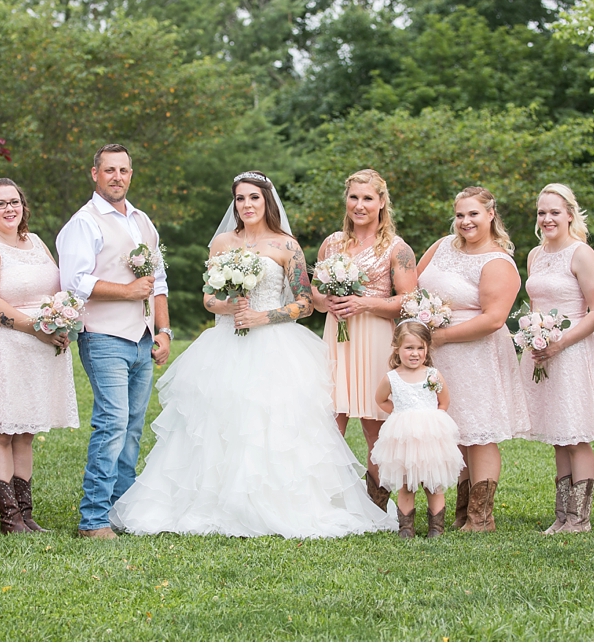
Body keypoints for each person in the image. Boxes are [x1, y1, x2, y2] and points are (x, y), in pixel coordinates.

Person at [109, 171, 396, 538]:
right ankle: (213, 503)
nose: (246, 205)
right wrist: (227, 308)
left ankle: (282, 502)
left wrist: (263, 316)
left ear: (267, 202)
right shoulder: (222, 243)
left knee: (272, 423)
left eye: (254, 198)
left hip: (274, 344)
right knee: (216, 424)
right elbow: (208, 298)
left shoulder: (286, 245)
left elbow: (306, 303)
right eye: (240, 198)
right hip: (225, 343)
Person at [56, 144, 172, 540]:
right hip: (104, 336)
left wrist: (164, 330)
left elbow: (158, 282)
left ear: (131, 173)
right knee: (112, 424)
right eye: (109, 170)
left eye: (123, 170)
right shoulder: (84, 223)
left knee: (134, 428)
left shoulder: (141, 221)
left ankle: (123, 510)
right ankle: (93, 519)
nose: (117, 176)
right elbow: (75, 282)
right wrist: (126, 292)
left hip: (142, 337)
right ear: (95, 174)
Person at [0, 178, 79, 534]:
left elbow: (55, 290)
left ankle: (26, 514)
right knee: (0, 430)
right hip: (1, 344)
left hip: (38, 348)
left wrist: (62, 321)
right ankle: (9, 518)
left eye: (15, 202)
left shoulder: (36, 242)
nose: (10, 209)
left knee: (25, 431)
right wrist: (36, 327)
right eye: (1, 204)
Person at [415, 186, 529, 532]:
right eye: (460, 214)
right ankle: (462, 511)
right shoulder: (441, 246)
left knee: (480, 432)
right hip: (437, 354)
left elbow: (494, 318)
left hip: (477, 353)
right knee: (456, 430)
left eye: (473, 214)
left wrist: (443, 335)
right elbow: (414, 288)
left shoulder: (497, 261)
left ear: (491, 214)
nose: (465, 221)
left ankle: (482, 517)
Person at [311, 169, 417, 513]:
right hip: (336, 338)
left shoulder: (397, 249)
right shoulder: (332, 243)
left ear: (382, 203)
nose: (360, 205)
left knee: (375, 426)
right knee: (328, 421)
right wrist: (325, 302)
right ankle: (324, 501)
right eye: (354, 197)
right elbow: (314, 292)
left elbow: (409, 300)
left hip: (375, 339)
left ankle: (376, 505)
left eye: (368, 198)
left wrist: (365, 302)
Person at [520, 184, 594, 534]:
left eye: (554, 212)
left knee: (576, 433)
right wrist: (534, 338)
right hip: (543, 351)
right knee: (558, 434)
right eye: (542, 212)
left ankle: (580, 518)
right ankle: (562, 515)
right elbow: (535, 305)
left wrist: (559, 343)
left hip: (573, 351)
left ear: (570, 215)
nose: (547, 219)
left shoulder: (581, 253)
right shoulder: (535, 254)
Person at [370, 320, 464, 539]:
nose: (415, 353)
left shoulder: (432, 375)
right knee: (406, 485)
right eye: (409, 348)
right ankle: (406, 528)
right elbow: (380, 399)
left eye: (420, 348)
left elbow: (444, 401)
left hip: (430, 436)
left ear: (427, 349)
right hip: (404, 438)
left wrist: (434, 420)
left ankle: (436, 528)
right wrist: (399, 412)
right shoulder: (392, 378)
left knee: (433, 484)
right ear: (397, 349)